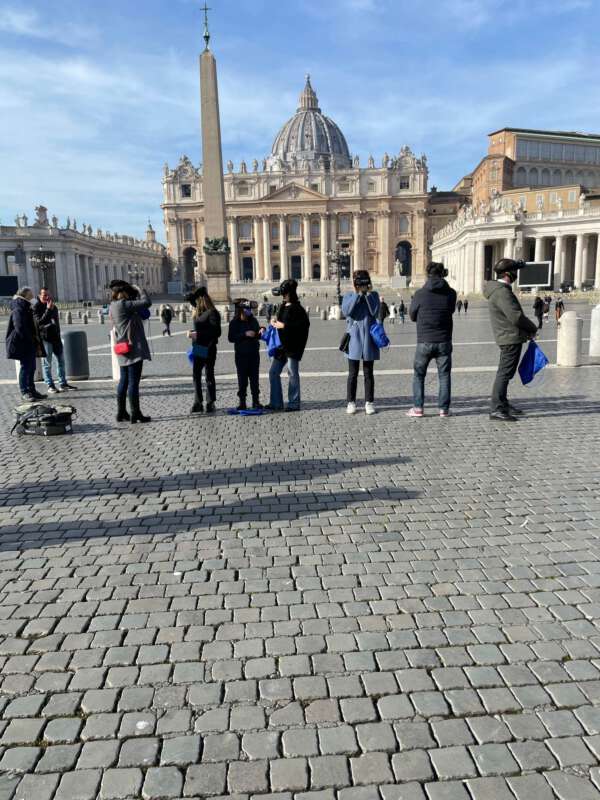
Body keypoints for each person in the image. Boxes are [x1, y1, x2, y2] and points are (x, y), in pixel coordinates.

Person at [484, 258, 538, 422]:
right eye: (514, 272)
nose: (516, 275)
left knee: (505, 372)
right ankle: (497, 408)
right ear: (508, 274)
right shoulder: (502, 292)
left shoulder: (500, 290)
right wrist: (532, 328)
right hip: (509, 337)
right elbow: (515, 316)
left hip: (508, 335)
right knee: (504, 373)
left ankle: (503, 403)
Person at [406, 262, 456, 418]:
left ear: (428, 274)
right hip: (444, 340)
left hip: (424, 340)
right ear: (443, 274)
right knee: (444, 375)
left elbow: (412, 315)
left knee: (419, 375)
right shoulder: (451, 293)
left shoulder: (420, 293)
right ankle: (443, 410)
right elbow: (451, 310)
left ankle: (418, 408)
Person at [110, 279, 152, 424]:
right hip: (134, 348)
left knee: (124, 381)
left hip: (122, 347)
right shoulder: (125, 304)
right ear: (122, 293)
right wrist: (140, 290)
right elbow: (147, 303)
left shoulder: (112, 306)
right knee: (134, 382)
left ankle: (121, 412)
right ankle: (136, 413)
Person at [266, 279, 310, 412]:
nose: (283, 296)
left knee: (292, 373)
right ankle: (276, 402)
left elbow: (303, 326)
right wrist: (274, 321)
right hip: (281, 346)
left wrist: (284, 326)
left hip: (292, 346)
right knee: (273, 372)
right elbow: (279, 322)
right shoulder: (282, 306)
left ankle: (294, 403)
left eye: (285, 294)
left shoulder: (298, 308)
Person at [341, 270, 381, 415]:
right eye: (359, 281)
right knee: (352, 373)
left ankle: (369, 402)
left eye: (364, 281)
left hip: (369, 339)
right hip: (354, 339)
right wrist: (357, 295)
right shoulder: (348, 296)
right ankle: (351, 402)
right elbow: (347, 312)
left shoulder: (374, 295)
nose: (362, 284)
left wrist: (367, 295)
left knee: (368, 373)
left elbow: (375, 311)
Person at [32, 287, 76, 393]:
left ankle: (63, 383)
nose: (47, 297)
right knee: (47, 363)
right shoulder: (36, 307)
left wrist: (58, 334)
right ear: (39, 295)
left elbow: (56, 322)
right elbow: (39, 322)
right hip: (46, 338)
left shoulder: (53, 307)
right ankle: (50, 385)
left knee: (61, 361)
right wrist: (48, 310)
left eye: (48, 295)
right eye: (44, 295)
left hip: (56, 337)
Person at [6, 286, 46, 401]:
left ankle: (32, 390)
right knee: (25, 367)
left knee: (32, 367)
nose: (33, 297)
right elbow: (19, 326)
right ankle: (25, 391)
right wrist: (28, 339)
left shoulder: (27, 306)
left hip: (30, 341)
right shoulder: (19, 306)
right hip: (23, 342)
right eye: (31, 295)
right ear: (25, 296)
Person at [187, 288, 221, 414]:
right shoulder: (199, 312)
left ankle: (210, 402)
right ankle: (198, 402)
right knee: (196, 375)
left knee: (208, 375)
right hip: (199, 347)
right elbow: (189, 299)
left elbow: (217, 331)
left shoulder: (212, 313)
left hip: (209, 346)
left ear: (201, 300)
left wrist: (197, 334)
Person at [229, 299, 261, 410]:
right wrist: (244, 334)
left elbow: (258, 334)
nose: (249, 311)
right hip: (241, 355)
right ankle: (242, 402)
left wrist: (260, 331)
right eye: (246, 309)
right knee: (242, 380)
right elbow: (231, 338)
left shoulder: (253, 320)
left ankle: (256, 401)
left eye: (249, 309)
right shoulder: (234, 322)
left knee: (254, 379)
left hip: (253, 354)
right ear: (241, 310)